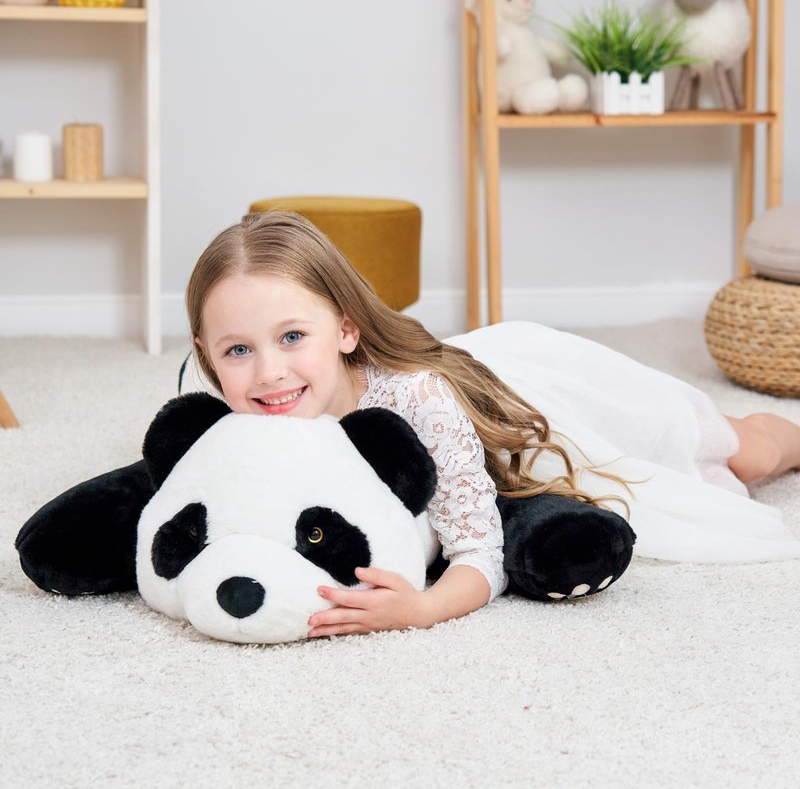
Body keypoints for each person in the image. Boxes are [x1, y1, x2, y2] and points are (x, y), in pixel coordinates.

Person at [183, 210, 800, 638]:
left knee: (736, 450)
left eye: (293, 336)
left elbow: (482, 553)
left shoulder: (417, 400)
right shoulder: (225, 408)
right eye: (237, 350)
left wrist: (422, 608)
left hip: (534, 414)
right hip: (478, 389)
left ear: (346, 329)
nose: (269, 372)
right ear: (206, 354)